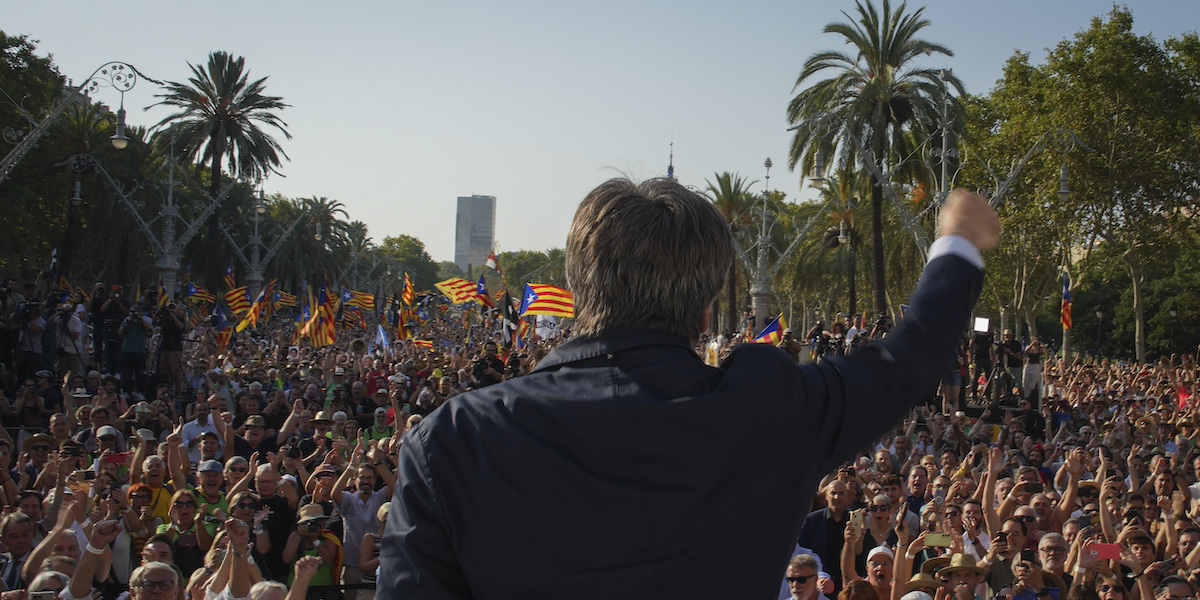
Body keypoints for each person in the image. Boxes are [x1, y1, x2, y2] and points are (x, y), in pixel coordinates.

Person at [379, 181, 997, 597]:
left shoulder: (450, 441)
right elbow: (909, 359)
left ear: (575, 289)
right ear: (705, 313)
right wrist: (959, 242)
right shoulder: (771, 407)